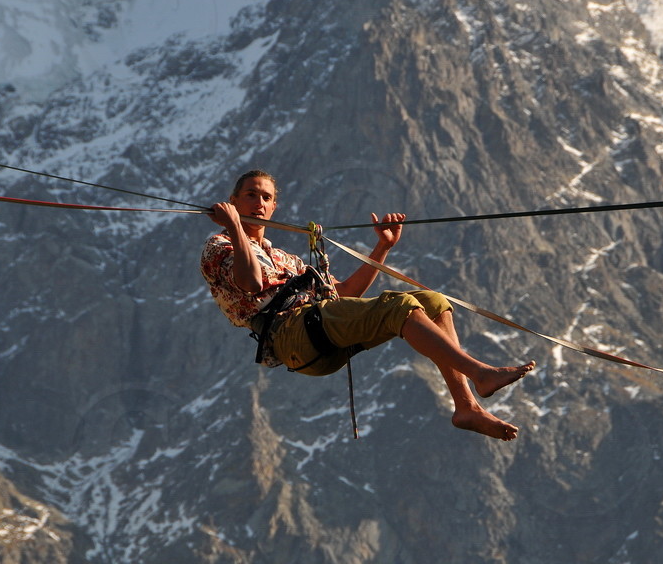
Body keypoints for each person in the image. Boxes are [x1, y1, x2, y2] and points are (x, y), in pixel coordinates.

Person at [200, 169, 535, 441]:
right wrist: (234, 228)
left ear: (274, 208)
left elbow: (343, 293)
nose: (259, 202)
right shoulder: (219, 246)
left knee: (432, 301)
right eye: (250, 195)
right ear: (233, 202)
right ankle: (478, 372)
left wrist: (382, 249)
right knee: (397, 305)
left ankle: (466, 408)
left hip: (319, 327)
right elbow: (250, 282)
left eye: (266, 197)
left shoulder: (284, 258)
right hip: (291, 335)